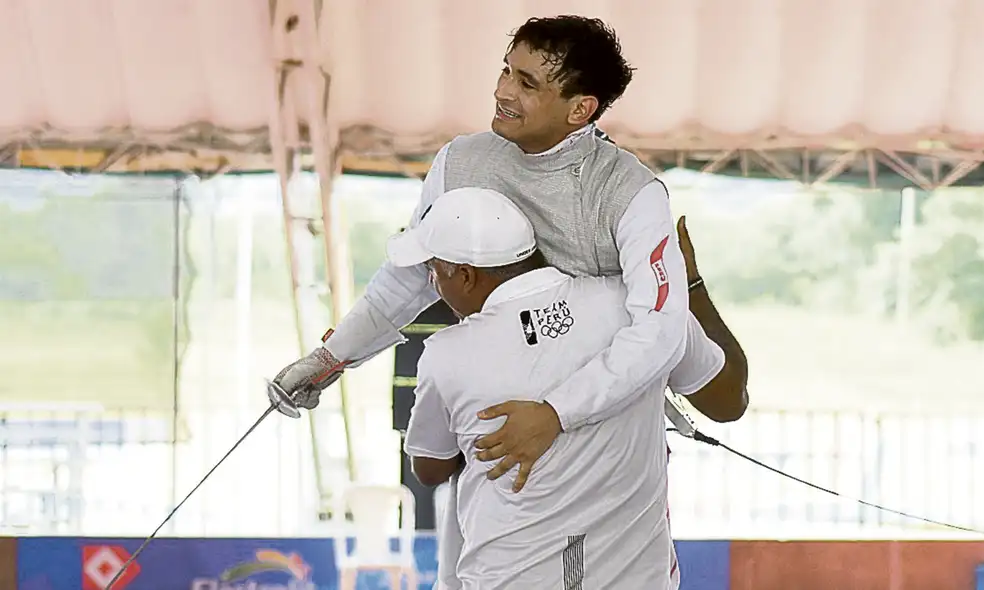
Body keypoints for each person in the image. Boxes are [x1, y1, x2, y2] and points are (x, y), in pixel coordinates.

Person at [271, 14, 749, 589]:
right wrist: (330, 360)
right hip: (506, 472)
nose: (503, 91)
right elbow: (409, 278)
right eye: (505, 70)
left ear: (581, 108)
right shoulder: (462, 162)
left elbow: (661, 332)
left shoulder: (630, 193)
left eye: (528, 83)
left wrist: (555, 414)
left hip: (606, 447)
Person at [398, 186, 675, 589]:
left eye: (435, 272)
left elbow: (430, 467)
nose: (433, 283)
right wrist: (687, 279)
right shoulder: (631, 305)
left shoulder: (449, 353)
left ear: (465, 275)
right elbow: (723, 393)